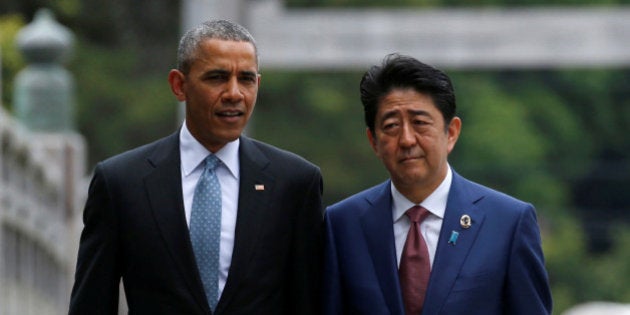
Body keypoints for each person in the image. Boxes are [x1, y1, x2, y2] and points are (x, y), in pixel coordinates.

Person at [69, 20, 324, 315]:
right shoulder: (121, 183)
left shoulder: (294, 183)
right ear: (179, 85)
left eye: (246, 79)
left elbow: (309, 301)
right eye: (217, 78)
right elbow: (92, 302)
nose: (234, 93)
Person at [322, 54, 552, 314]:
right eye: (391, 126)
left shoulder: (508, 222)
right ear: (373, 141)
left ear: (451, 132)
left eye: (420, 123)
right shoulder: (343, 224)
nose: (407, 139)